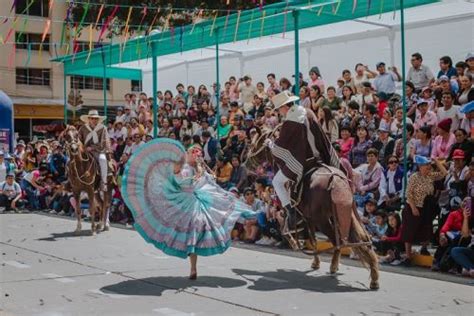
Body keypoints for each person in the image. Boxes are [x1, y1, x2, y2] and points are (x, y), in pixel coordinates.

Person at [121, 139, 255, 279]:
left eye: (199, 153)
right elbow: (181, 180)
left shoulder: (201, 168)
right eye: (193, 152)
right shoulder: (184, 167)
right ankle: (193, 267)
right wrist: (183, 171)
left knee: (198, 228)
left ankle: (193, 267)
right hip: (184, 202)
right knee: (191, 231)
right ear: (188, 153)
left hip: (199, 201)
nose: (197, 155)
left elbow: (211, 183)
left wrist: (204, 173)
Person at [264, 91, 340, 230]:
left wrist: (270, 144)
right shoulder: (309, 112)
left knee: (277, 181)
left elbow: (282, 146)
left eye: (279, 109)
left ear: (284, 107)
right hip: (320, 156)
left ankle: (291, 211)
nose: (279, 112)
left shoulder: (290, 121)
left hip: (303, 161)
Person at [402, 155, 448, 266]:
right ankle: (408, 256)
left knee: (426, 228)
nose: (428, 167)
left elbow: (444, 173)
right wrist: (413, 207)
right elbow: (408, 193)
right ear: (420, 166)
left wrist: (436, 161)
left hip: (426, 206)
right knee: (409, 230)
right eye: (426, 165)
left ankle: (423, 248)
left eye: (428, 165)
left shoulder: (430, 176)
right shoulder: (414, 177)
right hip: (414, 206)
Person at [78, 110, 111, 192]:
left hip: (98, 150)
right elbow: (79, 139)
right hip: (84, 150)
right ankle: (71, 180)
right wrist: (82, 147)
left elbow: (104, 141)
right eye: (92, 118)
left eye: (96, 118)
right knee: (72, 160)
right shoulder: (83, 128)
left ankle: (104, 182)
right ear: (89, 119)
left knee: (102, 160)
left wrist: (92, 148)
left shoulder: (103, 128)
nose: (94, 120)